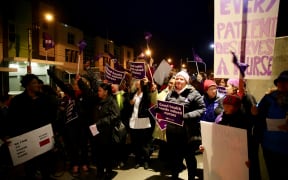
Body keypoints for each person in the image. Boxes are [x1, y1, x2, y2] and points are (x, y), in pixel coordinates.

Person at [6, 74, 58, 179]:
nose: (38, 85)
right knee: (30, 168)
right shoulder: (18, 101)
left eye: (38, 83)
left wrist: (54, 131)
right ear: (27, 85)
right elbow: (11, 120)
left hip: (43, 138)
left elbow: (52, 117)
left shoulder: (45, 99)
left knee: (46, 165)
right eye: (34, 83)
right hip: (27, 139)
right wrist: (7, 135)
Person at [165, 70, 206, 180]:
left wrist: (186, 116)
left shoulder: (194, 93)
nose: (178, 80)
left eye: (181, 79)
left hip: (187, 134)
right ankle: (174, 176)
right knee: (174, 158)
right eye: (177, 78)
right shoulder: (170, 93)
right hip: (172, 133)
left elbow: (202, 109)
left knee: (189, 158)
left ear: (186, 82)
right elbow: (165, 109)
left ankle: (191, 178)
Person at [254, 70, 288, 180]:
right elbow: (259, 114)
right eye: (280, 81)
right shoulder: (269, 98)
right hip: (269, 146)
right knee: (273, 174)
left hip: (285, 148)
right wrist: (255, 112)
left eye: (286, 82)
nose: (282, 84)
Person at [90, 83, 120, 179]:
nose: (98, 92)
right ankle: (100, 171)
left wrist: (100, 122)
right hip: (96, 131)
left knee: (106, 153)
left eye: (100, 91)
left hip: (106, 133)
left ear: (106, 92)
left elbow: (115, 116)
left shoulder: (111, 101)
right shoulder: (98, 101)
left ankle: (108, 172)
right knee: (98, 152)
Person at [126, 77, 155, 170]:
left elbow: (147, 100)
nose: (137, 82)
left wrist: (146, 85)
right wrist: (130, 103)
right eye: (136, 80)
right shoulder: (134, 93)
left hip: (142, 120)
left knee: (144, 142)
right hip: (134, 120)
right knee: (136, 142)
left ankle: (146, 160)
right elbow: (129, 103)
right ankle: (138, 160)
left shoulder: (145, 93)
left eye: (139, 80)